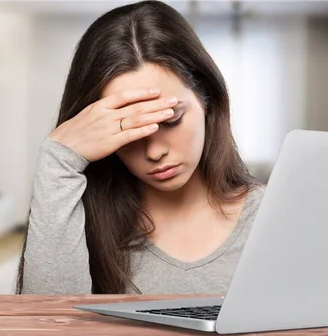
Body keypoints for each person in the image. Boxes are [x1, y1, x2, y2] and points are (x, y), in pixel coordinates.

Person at [17, 0, 265, 295]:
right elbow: (49, 323)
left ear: (207, 100)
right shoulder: (81, 220)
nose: (154, 151)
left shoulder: (271, 214)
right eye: (128, 131)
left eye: (171, 120)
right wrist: (58, 157)